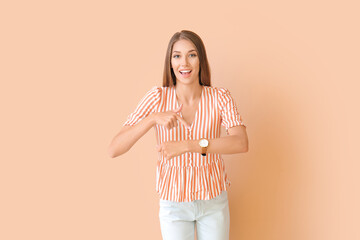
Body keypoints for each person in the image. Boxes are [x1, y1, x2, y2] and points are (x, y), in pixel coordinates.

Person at [108, 30, 249, 240]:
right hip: (173, 203)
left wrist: (190, 146)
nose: (185, 63)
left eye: (192, 55)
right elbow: (114, 148)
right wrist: (152, 119)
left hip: (213, 200)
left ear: (201, 59)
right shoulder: (156, 97)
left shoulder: (220, 97)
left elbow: (241, 142)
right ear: (170, 62)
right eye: (177, 56)